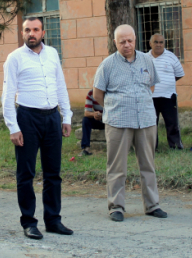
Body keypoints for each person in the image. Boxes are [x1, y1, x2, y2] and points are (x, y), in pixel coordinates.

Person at [2, 17, 74, 240]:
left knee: (53, 173)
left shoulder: (52, 54)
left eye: (35, 29)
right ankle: (29, 222)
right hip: (27, 118)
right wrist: (13, 127)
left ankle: (53, 220)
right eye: (27, 30)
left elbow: (60, 85)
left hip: (52, 117)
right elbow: (7, 95)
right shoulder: (14, 58)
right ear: (22, 33)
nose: (31, 33)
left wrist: (66, 116)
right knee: (26, 173)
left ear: (43, 32)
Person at [93, 24, 166, 222]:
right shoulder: (107, 65)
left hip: (146, 121)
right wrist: (117, 106)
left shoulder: (146, 60)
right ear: (115, 42)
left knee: (148, 165)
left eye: (130, 40)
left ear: (136, 40)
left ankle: (152, 205)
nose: (127, 45)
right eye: (122, 41)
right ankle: (116, 206)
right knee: (117, 167)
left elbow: (150, 86)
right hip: (118, 122)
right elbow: (98, 94)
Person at [147, 33, 185, 150]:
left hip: (168, 97)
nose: (159, 44)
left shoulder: (171, 56)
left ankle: (175, 146)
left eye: (161, 42)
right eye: (156, 42)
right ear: (150, 43)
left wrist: (166, 83)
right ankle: (152, 147)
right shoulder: (144, 58)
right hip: (150, 97)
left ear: (164, 43)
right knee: (151, 124)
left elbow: (179, 74)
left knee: (172, 123)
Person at [79, 89, 105, 156]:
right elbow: (86, 113)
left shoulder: (111, 93)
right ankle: (86, 148)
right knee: (86, 120)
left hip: (111, 120)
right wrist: (94, 114)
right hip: (99, 120)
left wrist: (104, 115)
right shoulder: (91, 93)